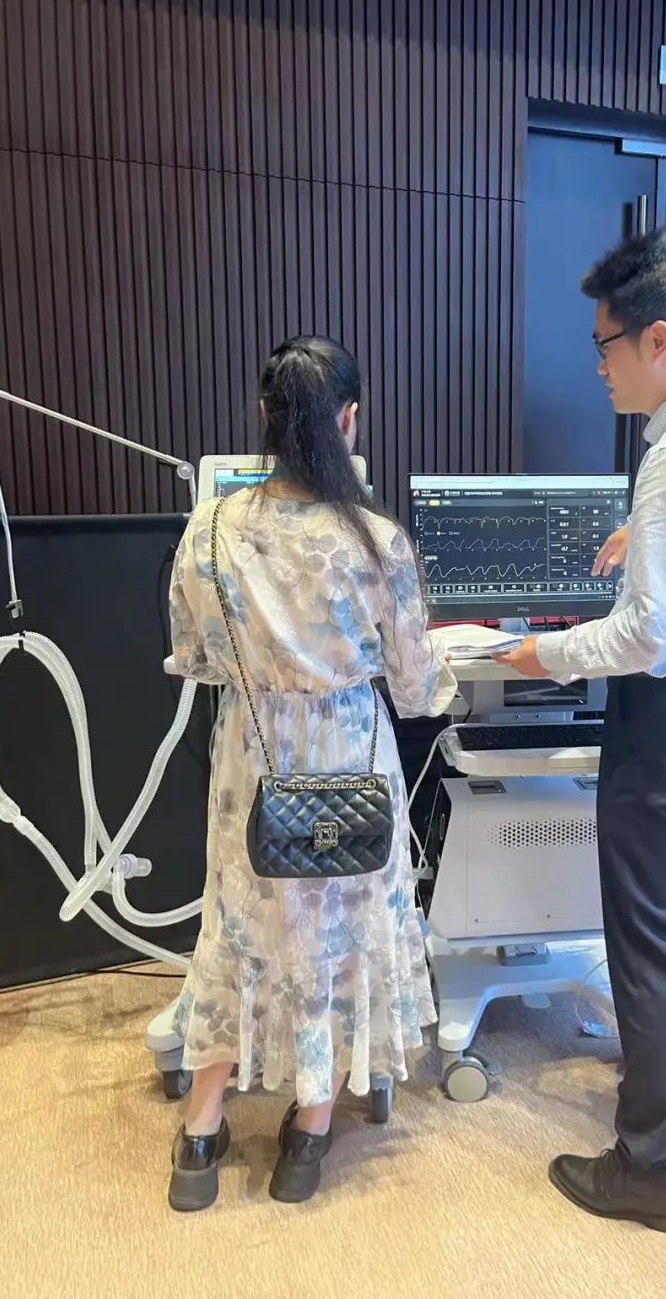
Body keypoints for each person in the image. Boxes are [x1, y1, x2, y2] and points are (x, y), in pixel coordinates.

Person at [496, 230, 666, 1234]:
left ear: (658, 339)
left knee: (648, 936)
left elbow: (649, 633)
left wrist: (542, 654)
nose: (600, 363)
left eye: (605, 344)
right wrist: (642, 538)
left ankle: (651, 1166)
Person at [166, 336, 457, 1212]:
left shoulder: (211, 528)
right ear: (349, 419)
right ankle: (310, 1129)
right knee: (337, 935)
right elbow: (417, 688)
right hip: (348, 763)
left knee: (238, 930)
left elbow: (195, 655)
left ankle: (201, 1130)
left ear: (266, 417)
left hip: (252, 762)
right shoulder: (378, 541)